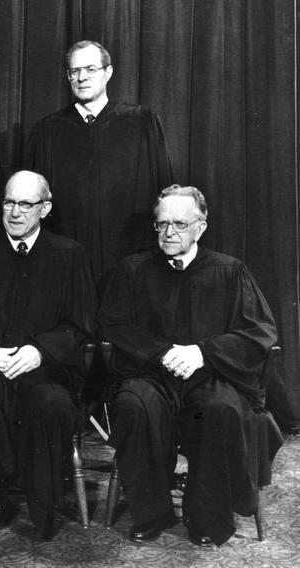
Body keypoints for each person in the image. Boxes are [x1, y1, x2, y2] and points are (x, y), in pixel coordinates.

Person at [98, 185, 281, 547]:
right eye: (161, 224)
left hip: (209, 375)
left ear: (201, 227)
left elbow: (259, 330)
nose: (168, 233)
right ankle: (152, 512)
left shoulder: (230, 271)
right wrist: (162, 352)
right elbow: (112, 323)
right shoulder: (133, 269)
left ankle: (205, 517)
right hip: (150, 374)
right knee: (134, 405)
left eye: (179, 224)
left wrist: (202, 352)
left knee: (220, 410)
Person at [0, 170, 97, 540]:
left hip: (44, 368)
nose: (14, 212)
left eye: (25, 204)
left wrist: (41, 350)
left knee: (50, 402)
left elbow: (82, 325)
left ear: (45, 208)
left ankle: (43, 508)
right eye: (9, 202)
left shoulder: (69, 254)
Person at [26, 40, 174, 283]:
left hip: (130, 257)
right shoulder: (48, 130)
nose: (82, 77)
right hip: (67, 262)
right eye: (75, 71)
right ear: (68, 76)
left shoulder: (141, 122)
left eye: (90, 69)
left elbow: (165, 192)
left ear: (108, 72)